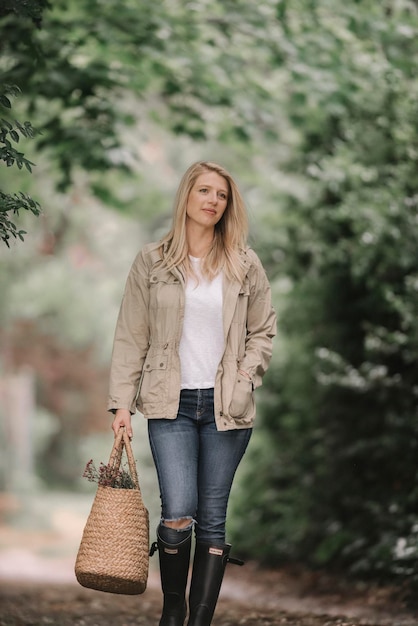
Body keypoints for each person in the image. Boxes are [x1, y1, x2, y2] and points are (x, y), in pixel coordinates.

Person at [109, 161, 276, 626]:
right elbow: (130, 335)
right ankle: (173, 611)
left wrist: (246, 374)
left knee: (213, 516)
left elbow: (263, 329)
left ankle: (199, 620)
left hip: (228, 405)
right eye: (204, 191)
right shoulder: (152, 260)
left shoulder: (244, 262)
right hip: (171, 404)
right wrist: (121, 403)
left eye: (221, 195)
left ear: (228, 205)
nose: (212, 201)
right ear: (186, 196)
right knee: (178, 512)